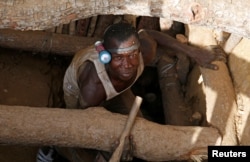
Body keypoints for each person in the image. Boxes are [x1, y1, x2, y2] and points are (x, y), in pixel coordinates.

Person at [37, 22, 224, 162]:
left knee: (136, 133)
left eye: (132, 55)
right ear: (106, 56)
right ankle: (54, 146)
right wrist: (113, 144)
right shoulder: (92, 86)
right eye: (118, 57)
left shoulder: (144, 52)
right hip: (85, 101)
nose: (127, 64)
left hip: (116, 91)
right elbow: (90, 122)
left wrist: (194, 52)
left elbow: (149, 34)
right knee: (85, 148)